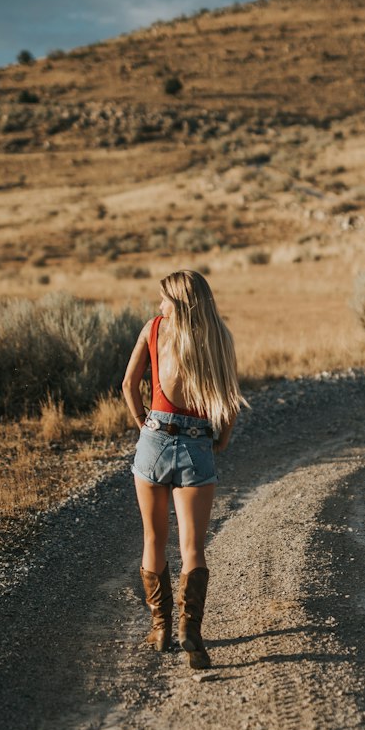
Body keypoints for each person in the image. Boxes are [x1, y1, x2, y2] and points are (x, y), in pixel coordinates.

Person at [122, 269, 245, 670]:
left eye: (164, 300)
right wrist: (222, 438)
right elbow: (228, 397)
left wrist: (144, 423)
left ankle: (160, 629)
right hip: (197, 446)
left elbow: (127, 384)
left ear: (178, 303)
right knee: (193, 547)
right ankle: (190, 631)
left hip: (154, 441)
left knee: (153, 539)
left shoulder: (155, 329)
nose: (159, 306)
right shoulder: (219, 337)